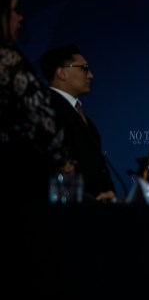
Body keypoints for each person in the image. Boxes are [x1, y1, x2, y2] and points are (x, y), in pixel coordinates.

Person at [0, 0, 72, 207]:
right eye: (13, 9)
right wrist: (65, 165)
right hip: (21, 185)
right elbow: (45, 123)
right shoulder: (8, 60)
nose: (20, 17)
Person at [39, 44, 117, 202]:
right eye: (84, 68)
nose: (91, 75)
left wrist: (109, 193)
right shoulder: (46, 109)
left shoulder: (83, 117)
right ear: (61, 73)